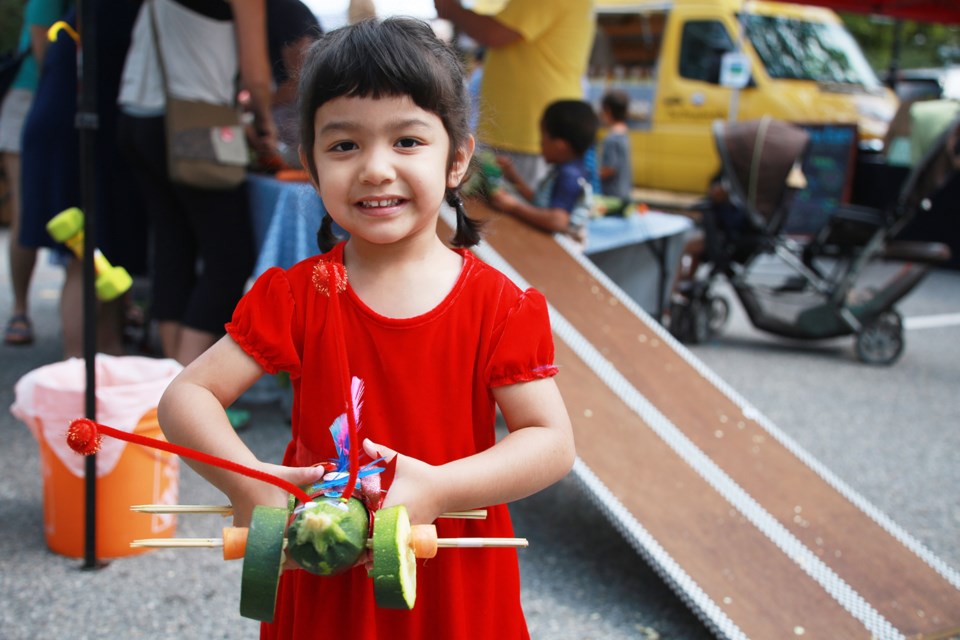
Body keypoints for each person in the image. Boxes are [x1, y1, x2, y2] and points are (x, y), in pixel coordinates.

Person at [156, 17, 575, 638]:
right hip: (327, 571)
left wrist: (436, 487)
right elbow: (186, 396)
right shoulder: (298, 295)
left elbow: (550, 440)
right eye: (344, 145)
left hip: (446, 574)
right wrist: (255, 486)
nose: (375, 169)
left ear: (457, 159)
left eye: (407, 141)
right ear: (311, 163)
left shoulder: (499, 305)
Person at [117, 0, 276, 366]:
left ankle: (169, 377)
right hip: (195, 125)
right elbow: (256, 76)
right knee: (230, 258)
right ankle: (187, 380)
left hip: (136, 120)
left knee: (174, 246)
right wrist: (264, 122)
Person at [18, 3, 147, 359]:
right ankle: (80, 369)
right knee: (85, 252)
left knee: (100, 251)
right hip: (79, 134)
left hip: (78, 127)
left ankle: (107, 353)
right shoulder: (113, 13)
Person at [434, 0, 594, 188]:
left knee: (512, 211)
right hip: (524, 135)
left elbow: (494, 33)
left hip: (525, 137)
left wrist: (453, 10)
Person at [1, 0, 65, 345]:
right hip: (32, 98)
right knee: (27, 211)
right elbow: (44, 50)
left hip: (55, 99)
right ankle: (20, 308)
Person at [489, 99, 598, 242]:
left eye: (543, 137)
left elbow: (557, 221)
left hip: (560, 246)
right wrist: (513, 175)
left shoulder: (569, 175)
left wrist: (514, 207)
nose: (540, 143)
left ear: (560, 146)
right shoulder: (565, 169)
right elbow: (540, 202)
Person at [598, 89, 633, 214]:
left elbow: (609, 168)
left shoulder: (611, 138)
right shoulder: (624, 133)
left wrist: (592, 176)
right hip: (624, 192)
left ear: (607, 110)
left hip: (612, 196)